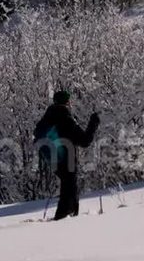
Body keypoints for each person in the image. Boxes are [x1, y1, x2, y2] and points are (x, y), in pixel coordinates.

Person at [34, 91, 100, 220]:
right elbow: (85, 141)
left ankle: (67, 216)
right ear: (67, 102)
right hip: (66, 158)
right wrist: (93, 123)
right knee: (69, 187)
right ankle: (65, 218)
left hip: (53, 160)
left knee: (67, 186)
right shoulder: (65, 118)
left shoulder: (47, 117)